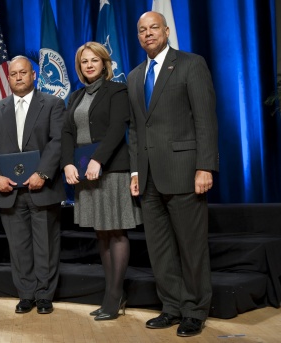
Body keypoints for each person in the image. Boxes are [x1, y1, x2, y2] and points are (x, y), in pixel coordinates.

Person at [128, 11, 219, 337]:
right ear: (138, 37)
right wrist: (136, 171)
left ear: (166, 31)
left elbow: (205, 119)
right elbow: (137, 129)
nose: (148, 33)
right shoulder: (135, 76)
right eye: (142, 30)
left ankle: (195, 310)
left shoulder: (191, 64)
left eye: (154, 27)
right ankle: (172, 306)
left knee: (191, 247)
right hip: (149, 176)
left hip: (184, 172)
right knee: (160, 247)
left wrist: (205, 166)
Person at [60, 42, 142, 321]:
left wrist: (99, 159)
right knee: (101, 233)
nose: (90, 65)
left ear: (105, 63)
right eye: (84, 62)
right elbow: (67, 134)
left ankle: (114, 296)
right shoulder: (75, 97)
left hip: (111, 171)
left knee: (116, 231)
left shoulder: (118, 90)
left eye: (95, 60)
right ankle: (112, 294)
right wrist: (67, 163)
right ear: (79, 67)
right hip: (84, 173)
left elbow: (118, 128)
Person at [0, 55, 66, 315]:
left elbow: (57, 141)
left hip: (43, 188)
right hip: (8, 191)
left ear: (34, 76)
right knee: (18, 247)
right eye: (14, 74)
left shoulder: (52, 104)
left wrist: (43, 173)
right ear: (8, 78)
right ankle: (26, 294)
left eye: (23, 73)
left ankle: (44, 296)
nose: (18, 77)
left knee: (46, 245)